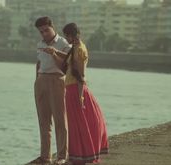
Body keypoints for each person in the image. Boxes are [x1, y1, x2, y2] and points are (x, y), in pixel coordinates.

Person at [47, 23, 109, 165]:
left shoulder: (79, 49)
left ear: (71, 35)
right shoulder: (75, 48)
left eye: (67, 35)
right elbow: (67, 62)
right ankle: (77, 156)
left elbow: (80, 75)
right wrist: (54, 52)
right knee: (75, 125)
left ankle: (81, 156)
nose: (66, 38)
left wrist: (80, 97)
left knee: (78, 125)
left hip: (76, 89)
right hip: (71, 89)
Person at [26, 16, 71, 165]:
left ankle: (62, 156)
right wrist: (37, 80)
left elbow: (66, 66)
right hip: (41, 81)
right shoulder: (40, 43)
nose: (44, 34)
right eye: (41, 32)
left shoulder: (63, 43)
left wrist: (54, 53)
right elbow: (38, 63)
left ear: (53, 27)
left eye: (46, 30)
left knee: (59, 120)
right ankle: (45, 156)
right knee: (43, 120)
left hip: (57, 80)